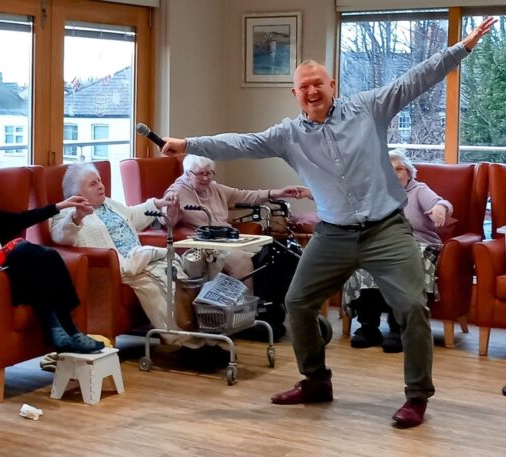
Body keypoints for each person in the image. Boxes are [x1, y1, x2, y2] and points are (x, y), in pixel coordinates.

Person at [161, 17, 496, 428]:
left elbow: (414, 80)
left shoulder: (368, 107)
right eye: (304, 86)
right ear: (296, 94)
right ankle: (316, 380)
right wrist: (189, 144)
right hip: (333, 234)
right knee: (297, 303)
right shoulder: (287, 135)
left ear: (333, 85)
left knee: (411, 306)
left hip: (385, 229)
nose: (312, 90)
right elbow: (241, 142)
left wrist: (461, 47)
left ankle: (417, 396)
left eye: (318, 82)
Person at [51, 163, 229, 364]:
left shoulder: (109, 204)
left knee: (178, 278)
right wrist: (76, 217)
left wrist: (159, 203)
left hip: (142, 259)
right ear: (77, 193)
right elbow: (62, 236)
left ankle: (203, 337)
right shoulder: (67, 213)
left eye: (100, 180)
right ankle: (188, 343)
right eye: (93, 184)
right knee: (159, 284)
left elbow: (133, 215)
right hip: (122, 266)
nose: (101, 186)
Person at [0, 162, 104, 354]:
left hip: (16, 275)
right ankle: (56, 326)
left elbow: (21, 219)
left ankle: (68, 329)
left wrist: (60, 206)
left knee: (50, 255)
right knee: (24, 251)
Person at [344, 148, 452, 353]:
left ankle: (398, 329)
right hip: (383, 245)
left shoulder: (419, 190)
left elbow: (441, 202)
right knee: (365, 263)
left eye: (399, 169)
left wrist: (440, 208)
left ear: (409, 173)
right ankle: (368, 327)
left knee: (403, 264)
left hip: (419, 244)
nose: (394, 173)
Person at [166, 153, 310, 289]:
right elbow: (166, 220)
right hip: (205, 246)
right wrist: (172, 209)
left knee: (280, 251)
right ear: (187, 173)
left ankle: (274, 305)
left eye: (208, 173)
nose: (205, 178)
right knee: (241, 261)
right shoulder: (176, 192)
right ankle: (244, 310)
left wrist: (278, 193)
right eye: (200, 174)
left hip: (227, 239)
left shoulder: (214, 188)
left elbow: (245, 195)